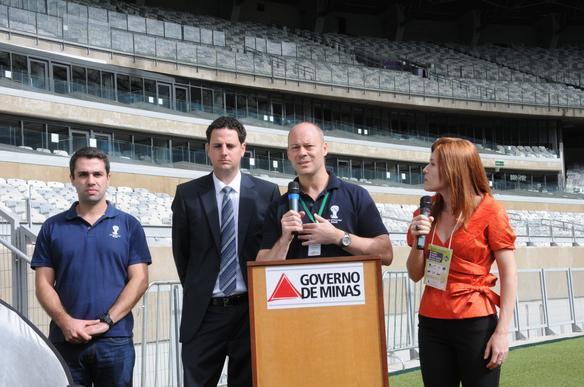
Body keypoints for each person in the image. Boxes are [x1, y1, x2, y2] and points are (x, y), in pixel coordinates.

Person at [172, 116, 280, 387]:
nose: (224, 151)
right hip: (205, 314)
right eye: (217, 145)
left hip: (250, 311)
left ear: (243, 149)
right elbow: (181, 253)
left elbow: (272, 248)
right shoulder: (187, 194)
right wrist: (202, 289)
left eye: (230, 145)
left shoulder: (267, 193)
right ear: (208, 148)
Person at [32, 147, 151, 387]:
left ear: (108, 178)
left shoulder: (129, 225)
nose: (91, 180)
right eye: (83, 174)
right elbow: (43, 283)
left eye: (97, 174)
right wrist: (65, 322)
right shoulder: (52, 227)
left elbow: (139, 280)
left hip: (114, 340)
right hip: (66, 340)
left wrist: (107, 321)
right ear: (72, 179)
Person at [407, 137, 517, 387]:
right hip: (431, 324)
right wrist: (417, 240)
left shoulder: (491, 211)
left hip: (475, 322)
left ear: (453, 169)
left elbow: (509, 274)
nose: (425, 170)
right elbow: (415, 274)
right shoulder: (423, 212)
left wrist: (502, 331)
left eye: (432, 164)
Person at [257, 122, 392, 264]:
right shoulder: (279, 205)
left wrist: (337, 237)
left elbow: (386, 254)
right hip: (297, 286)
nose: (302, 153)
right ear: (289, 154)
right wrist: (284, 240)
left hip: (345, 285)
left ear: (324, 149)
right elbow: (260, 267)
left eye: (308, 146)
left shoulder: (356, 195)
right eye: (295, 147)